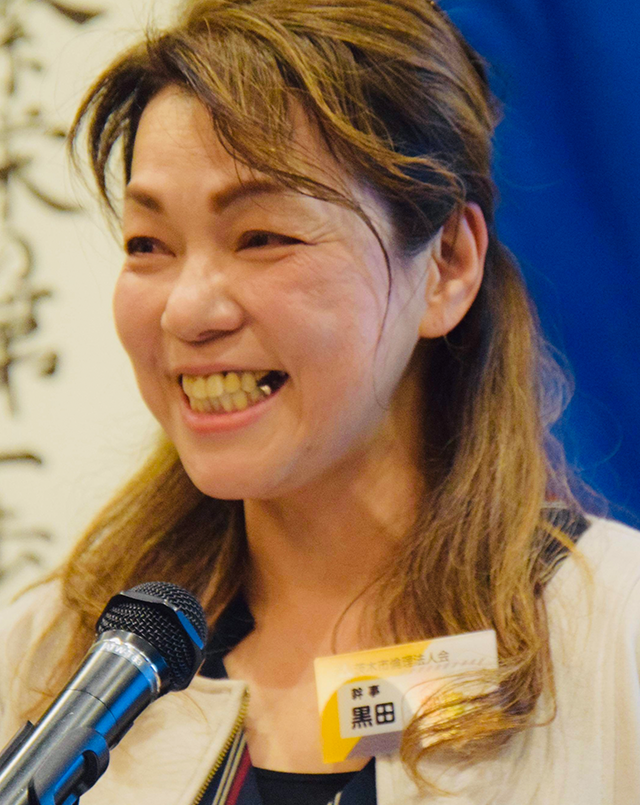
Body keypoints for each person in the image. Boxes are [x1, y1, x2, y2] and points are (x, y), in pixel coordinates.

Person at [0, 1, 639, 803]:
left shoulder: (617, 633)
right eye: (148, 245)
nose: (186, 311)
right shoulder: (53, 654)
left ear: (447, 263)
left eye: (262, 237)